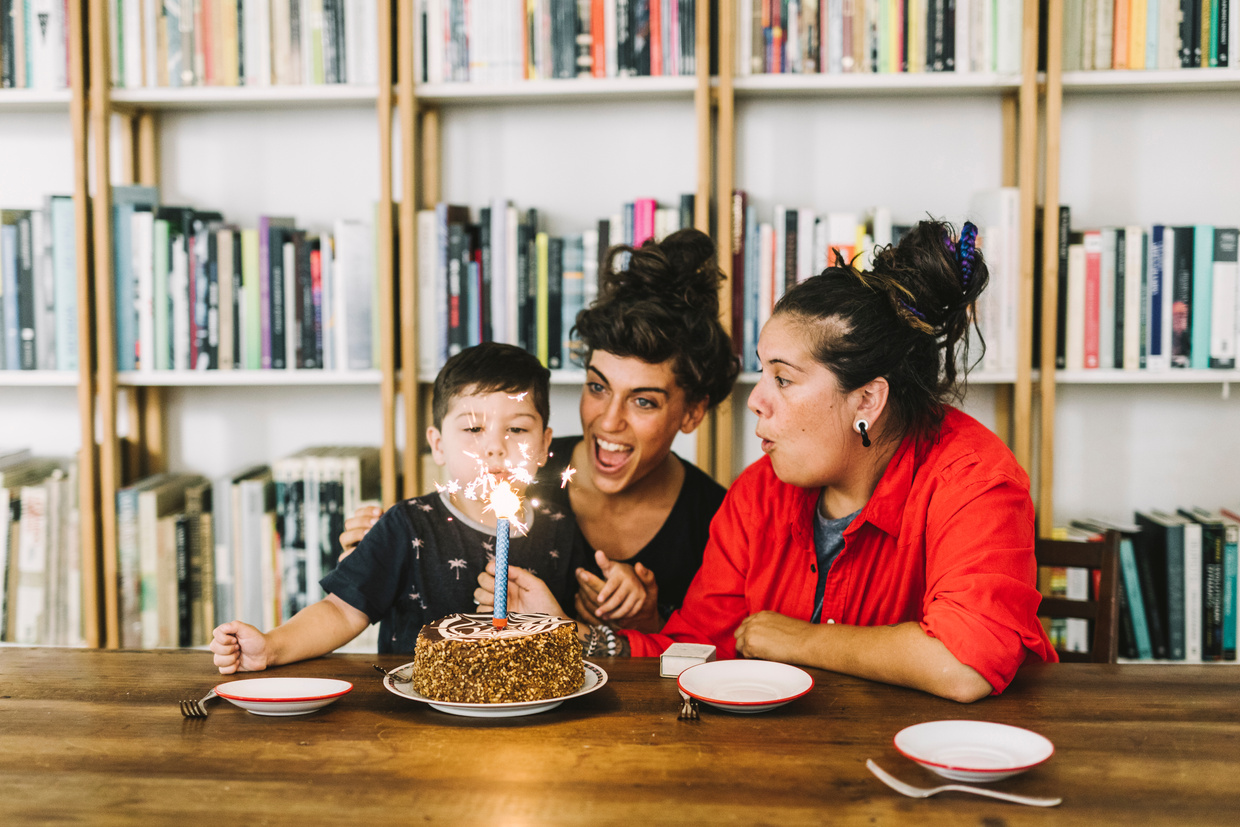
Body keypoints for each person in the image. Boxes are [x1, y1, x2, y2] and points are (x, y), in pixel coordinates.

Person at [480, 219, 1057, 702]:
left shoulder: (975, 478)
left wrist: (793, 639)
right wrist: (576, 637)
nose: (755, 400)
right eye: (762, 372)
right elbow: (699, 647)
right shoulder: (758, 493)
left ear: (867, 399)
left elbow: (966, 664)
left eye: (782, 378)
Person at [339, 228, 739, 634]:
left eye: (643, 401)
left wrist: (648, 624)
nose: (609, 421)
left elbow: (702, 661)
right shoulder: (515, 463)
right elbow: (429, 556)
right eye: (598, 388)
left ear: (692, 412)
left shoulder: (716, 523)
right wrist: (373, 555)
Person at [209, 342, 583, 672]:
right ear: (437, 444)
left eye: (516, 430)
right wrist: (272, 647)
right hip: (417, 720)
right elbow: (341, 611)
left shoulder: (562, 528)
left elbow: (580, 632)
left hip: (530, 720)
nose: (495, 447)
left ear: (544, 445)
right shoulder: (407, 526)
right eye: (473, 430)